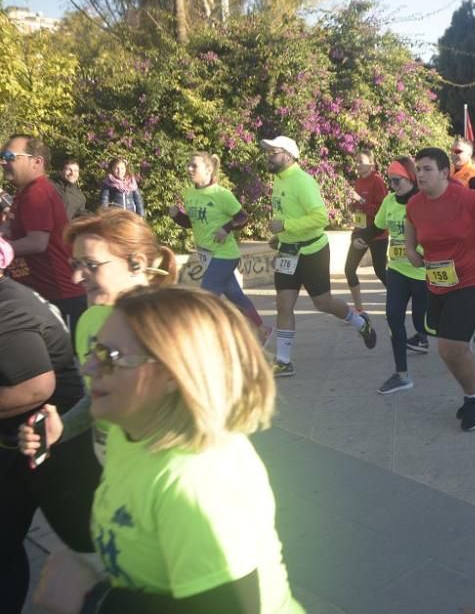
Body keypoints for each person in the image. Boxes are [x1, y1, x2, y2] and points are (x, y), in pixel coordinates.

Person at [23, 286, 304, 613]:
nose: (87, 369)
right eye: (93, 351)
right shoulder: (129, 431)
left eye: (108, 357)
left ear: (173, 373)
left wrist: (91, 600)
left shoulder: (198, 482)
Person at [0, 235, 100, 612]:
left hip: (52, 444)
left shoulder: (7, 308)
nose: (78, 276)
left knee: (87, 538)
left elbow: (35, 387)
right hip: (25, 439)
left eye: (89, 265)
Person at [64, 208, 178, 462]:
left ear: (136, 263)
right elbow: (96, 392)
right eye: (75, 264)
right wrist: (61, 428)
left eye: (91, 265)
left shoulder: (176, 329)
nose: (75, 277)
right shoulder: (90, 319)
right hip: (112, 461)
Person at [405, 147, 475, 430]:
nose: (420, 174)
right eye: (418, 169)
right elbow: (410, 221)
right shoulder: (415, 203)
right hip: (437, 283)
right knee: (451, 349)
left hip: (470, 280)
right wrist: (411, 248)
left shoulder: (463, 196)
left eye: (427, 169)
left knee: (451, 348)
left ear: (444, 173)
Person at [263, 135, 376, 378]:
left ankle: (360, 323)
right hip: (288, 252)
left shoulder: (302, 181)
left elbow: (320, 218)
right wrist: (281, 237)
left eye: (274, 151)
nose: (269, 156)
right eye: (268, 152)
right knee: (283, 304)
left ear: (289, 155)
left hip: (312, 251)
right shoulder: (280, 181)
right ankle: (284, 361)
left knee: (323, 303)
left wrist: (286, 226)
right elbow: (287, 217)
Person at [354, 157, 429, 394]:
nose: (393, 185)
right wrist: (362, 237)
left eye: (397, 180)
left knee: (422, 321)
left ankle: (441, 340)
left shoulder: (422, 202)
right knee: (393, 318)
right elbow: (377, 226)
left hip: (421, 272)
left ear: (410, 179)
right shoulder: (389, 201)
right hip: (396, 269)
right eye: (391, 180)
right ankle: (402, 374)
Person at [169, 152, 266, 336]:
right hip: (207, 254)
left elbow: (243, 217)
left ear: (208, 170)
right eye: (188, 165)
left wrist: (227, 228)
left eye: (194, 166)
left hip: (225, 255)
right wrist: (177, 216)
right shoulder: (190, 194)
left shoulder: (222, 194)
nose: (189, 169)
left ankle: (203, 336)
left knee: (207, 297)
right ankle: (262, 330)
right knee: (235, 295)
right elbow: (192, 223)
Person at [1, 134, 88, 336]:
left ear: (36, 162)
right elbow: (9, 232)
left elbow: (37, 242)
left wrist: (4, 250)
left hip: (60, 298)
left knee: (66, 366)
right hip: (45, 297)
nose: (3, 161)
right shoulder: (24, 193)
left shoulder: (37, 193)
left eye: (9, 156)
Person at [344, 149, 389, 314]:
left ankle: (397, 299)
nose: (357, 164)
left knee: (380, 271)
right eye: (356, 161)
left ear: (371, 164)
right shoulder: (358, 182)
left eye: (361, 161)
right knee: (349, 269)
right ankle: (359, 309)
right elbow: (357, 208)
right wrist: (351, 205)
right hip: (361, 231)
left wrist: (360, 201)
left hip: (377, 233)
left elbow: (380, 212)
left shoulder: (377, 182)